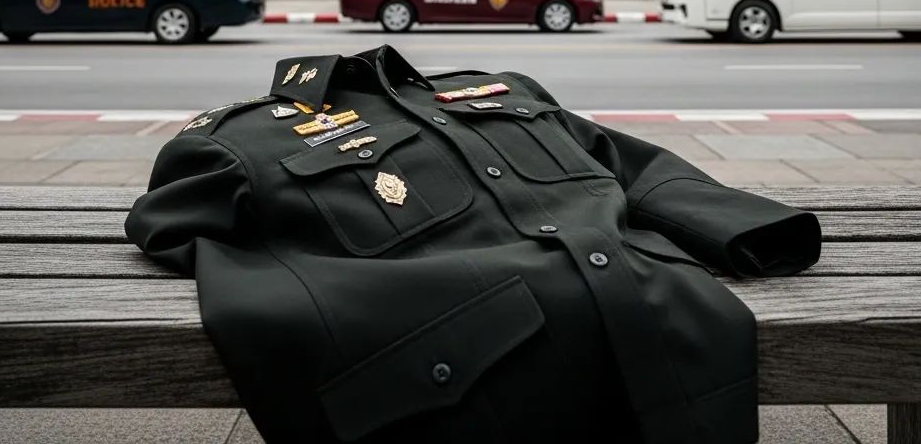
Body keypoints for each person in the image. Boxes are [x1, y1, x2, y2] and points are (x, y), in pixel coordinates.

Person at [126, 45, 821, 444]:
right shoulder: (240, 140)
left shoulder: (499, 89)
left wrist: (743, 228)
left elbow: (621, 161)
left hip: (673, 314)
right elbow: (170, 226)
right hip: (475, 372)